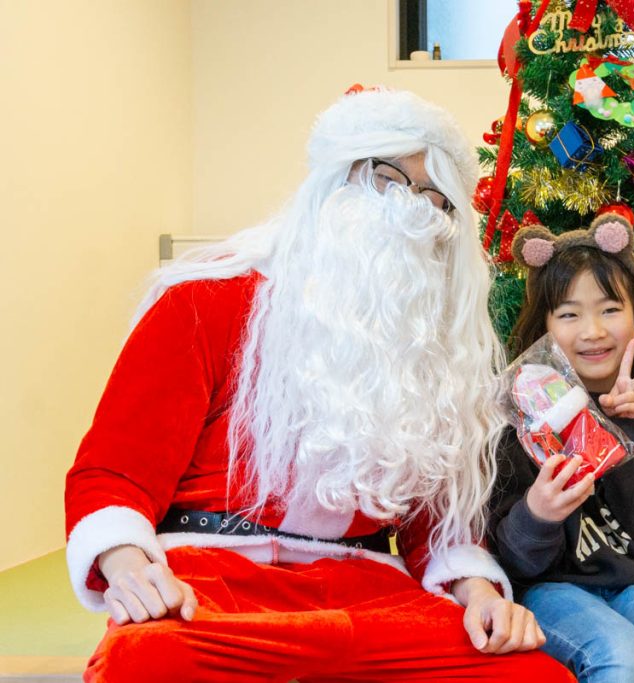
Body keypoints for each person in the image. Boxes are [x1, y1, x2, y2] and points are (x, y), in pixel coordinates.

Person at [64, 85, 574, 683]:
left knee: (530, 676)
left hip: (366, 592)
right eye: (388, 177)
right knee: (146, 662)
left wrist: (480, 593)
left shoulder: (423, 345)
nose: (410, 209)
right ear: (335, 181)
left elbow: (434, 523)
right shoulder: (206, 299)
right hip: (212, 580)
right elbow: (114, 472)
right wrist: (127, 564)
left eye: (434, 198)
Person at [487, 213, 634, 683]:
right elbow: (513, 559)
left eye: (610, 309)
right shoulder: (519, 419)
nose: (592, 330)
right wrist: (538, 513)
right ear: (544, 324)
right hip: (549, 588)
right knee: (621, 656)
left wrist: (632, 430)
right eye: (569, 314)